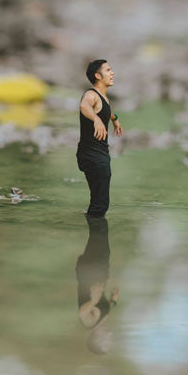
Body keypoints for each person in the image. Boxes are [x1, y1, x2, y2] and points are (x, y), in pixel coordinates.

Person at [77, 59, 123, 217]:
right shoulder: (91, 95)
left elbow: (105, 111)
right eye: (108, 70)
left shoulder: (104, 98)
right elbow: (84, 106)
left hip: (99, 154)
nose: (112, 73)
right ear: (98, 75)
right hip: (92, 155)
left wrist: (114, 119)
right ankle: (97, 236)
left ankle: (95, 235)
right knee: (100, 204)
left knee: (100, 202)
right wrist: (96, 120)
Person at [76, 215, 119, 354]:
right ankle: (95, 216)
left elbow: (82, 313)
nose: (110, 338)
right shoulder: (100, 321)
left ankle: (94, 215)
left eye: (106, 341)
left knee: (99, 237)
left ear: (97, 339)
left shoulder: (90, 323)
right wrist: (113, 300)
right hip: (99, 273)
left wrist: (93, 300)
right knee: (101, 240)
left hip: (90, 273)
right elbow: (106, 307)